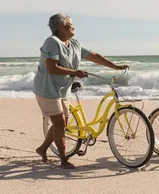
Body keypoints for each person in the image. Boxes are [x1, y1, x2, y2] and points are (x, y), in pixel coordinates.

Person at [33, 13, 129, 169]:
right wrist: (74, 72)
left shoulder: (74, 43)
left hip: (62, 88)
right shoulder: (52, 42)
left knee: (62, 122)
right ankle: (63, 160)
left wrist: (115, 66)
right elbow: (52, 68)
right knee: (58, 123)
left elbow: (93, 56)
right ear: (60, 26)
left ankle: (43, 148)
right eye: (70, 24)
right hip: (47, 89)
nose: (73, 26)